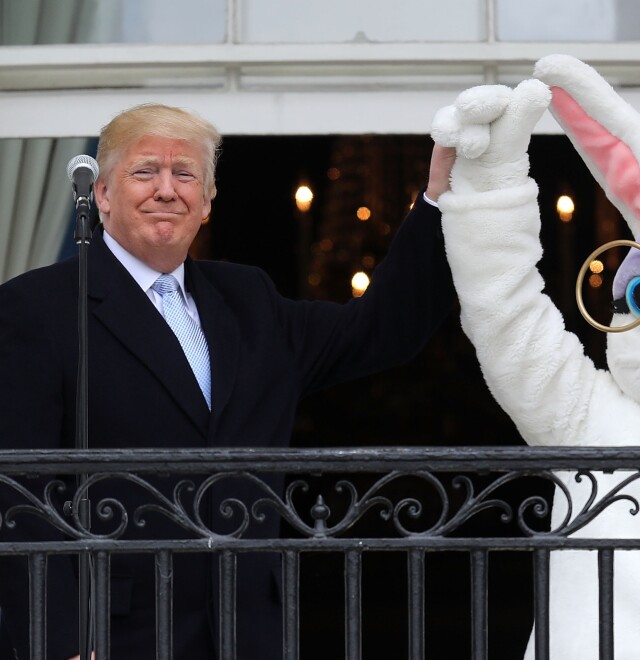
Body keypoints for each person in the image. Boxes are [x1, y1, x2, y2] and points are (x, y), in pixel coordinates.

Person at [0, 103, 457, 660]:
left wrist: (438, 201)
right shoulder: (37, 307)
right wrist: (58, 641)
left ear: (208, 201)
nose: (166, 190)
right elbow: (17, 490)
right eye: (145, 171)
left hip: (249, 630)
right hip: (112, 635)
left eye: (184, 174)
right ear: (102, 194)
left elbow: (384, 329)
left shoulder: (249, 300)